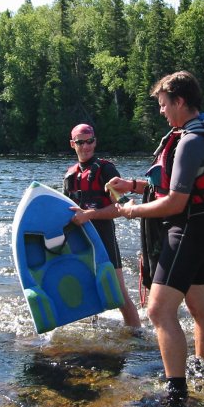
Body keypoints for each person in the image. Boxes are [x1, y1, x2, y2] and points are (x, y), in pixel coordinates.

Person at [107, 71, 204, 407]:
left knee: (159, 311)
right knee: (200, 306)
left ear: (180, 101)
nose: (161, 111)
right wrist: (133, 185)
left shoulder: (189, 141)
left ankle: (176, 393)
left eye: (163, 104)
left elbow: (175, 202)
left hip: (184, 230)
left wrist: (131, 212)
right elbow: (177, 188)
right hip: (203, 230)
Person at [63, 123, 141, 328]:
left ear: (95, 141)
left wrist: (92, 215)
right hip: (80, 242)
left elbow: (123, 208)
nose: (86, 146)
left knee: (119, 294)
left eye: (90, 141)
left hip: (104, 238)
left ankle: (138, 337)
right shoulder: (70, 176)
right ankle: (93, 330)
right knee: (88, 292)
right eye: (81, 142)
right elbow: (64, 212)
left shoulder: (106, 170)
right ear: (73, 144)